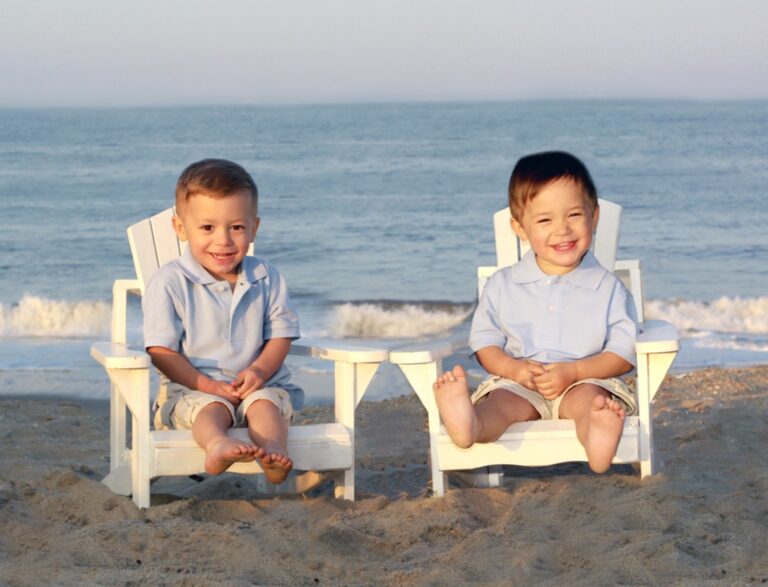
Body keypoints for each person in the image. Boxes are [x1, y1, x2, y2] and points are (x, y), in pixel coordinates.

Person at [434, 151, 637, 473]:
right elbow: (485, 343)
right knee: (500, 406)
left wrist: (574, 372)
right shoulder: (503, 285)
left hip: (584, 379)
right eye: (545, 220)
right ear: (520, 228)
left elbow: (623, 353)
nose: (563, 230)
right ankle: (469, 424)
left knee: (590, 405)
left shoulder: (607, 287)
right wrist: (514, 370)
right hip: (519, 383)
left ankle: (598, 440)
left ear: (594, 217)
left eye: (574, 215)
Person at [143, 158, 302, 484]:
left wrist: (258, 371)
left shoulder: (266, 276)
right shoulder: (170, 282)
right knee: (210, 408)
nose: (223, 240)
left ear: (254, 228)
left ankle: (273, 452)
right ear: (180, 229)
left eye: (237, 227)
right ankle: (217, 445)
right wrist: (206, 384)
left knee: (266, 405)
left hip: (259, 386)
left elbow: (280, 336)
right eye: (207, 227)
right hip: (193, 390)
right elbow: (161, 351)